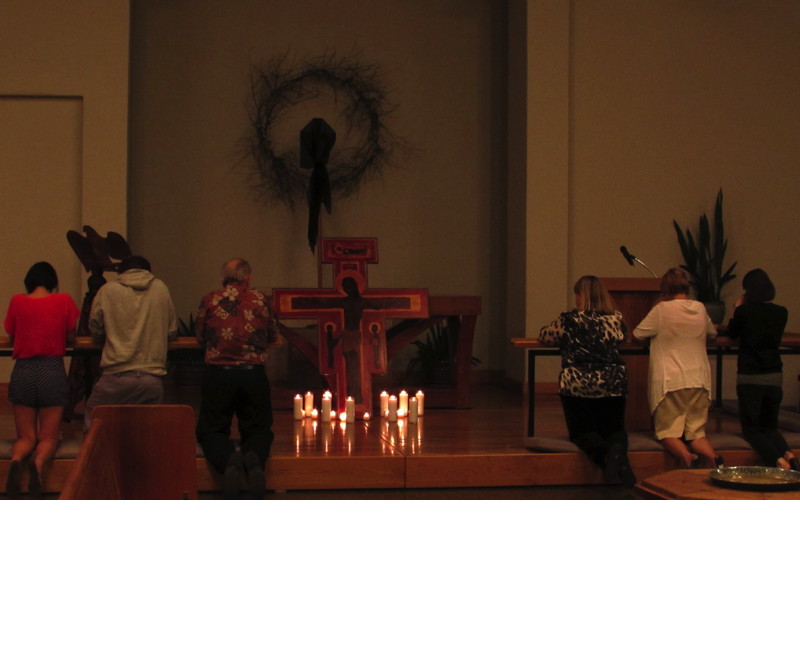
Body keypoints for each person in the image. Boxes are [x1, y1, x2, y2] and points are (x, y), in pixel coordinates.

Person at [539, 275, 636, 486]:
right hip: (613, 383)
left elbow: (546, 336)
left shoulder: (569, 320)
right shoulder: (616, 320)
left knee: (582, 432)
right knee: (615, 429)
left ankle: (607, 456)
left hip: (578, 383)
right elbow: (625, 338)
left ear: (580, 295)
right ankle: (620, 455)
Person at [195, 258, 279, 499]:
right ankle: (253, 461)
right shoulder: (261, 300)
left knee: (211, 430)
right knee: (259, 429)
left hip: (219, 374)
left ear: (224, 278)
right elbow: (273, 333)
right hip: (253, 374)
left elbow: (200, 335)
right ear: (248, 278)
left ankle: (228, 460)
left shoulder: (210, 299)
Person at [3, 262, 80, 498]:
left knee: (25, 436)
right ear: (52, 282)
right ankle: (37, 464)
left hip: (24, 370)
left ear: (28, 281)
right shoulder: (64, 300)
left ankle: (16, 460)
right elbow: (71, 334)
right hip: (51, 369)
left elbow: (11, 333)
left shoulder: (17, 301)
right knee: (49, 437)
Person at [633, 267, 722, 468]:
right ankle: (714, 458)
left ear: (664, 290)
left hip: (671, 381)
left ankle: (688, 457)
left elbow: (638, 334)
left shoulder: (661, 310)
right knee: (696, 433)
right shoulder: (700, 308)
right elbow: (712, 334)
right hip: (699, 380)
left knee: (666, 432)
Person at [85, 255, 177, 428]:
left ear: (120, 272)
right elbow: (171, 331)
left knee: (94, 427)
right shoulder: (160, 288)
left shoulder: (107, 290)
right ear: (148, 272)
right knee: (144, 434)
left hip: (116, 375)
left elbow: (95, 327)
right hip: (151, 377)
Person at [725, 269, 798, 470]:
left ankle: (778, 462)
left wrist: (737, 308)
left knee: (752, 431)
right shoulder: (781, 312)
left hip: (750, 377)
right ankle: (790, 456)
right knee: (771, 428)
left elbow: (733, 333)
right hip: (774, 375)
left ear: (748, 291)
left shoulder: (744, 312)